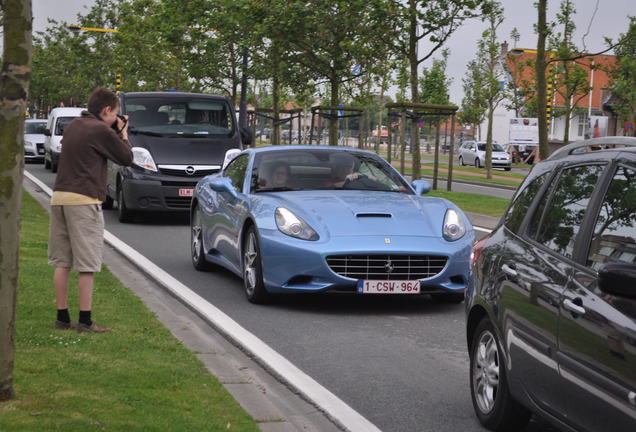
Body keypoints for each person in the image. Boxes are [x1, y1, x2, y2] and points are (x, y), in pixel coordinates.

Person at [48, 88, 133, 333]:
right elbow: (126, 157)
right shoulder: (101, 130)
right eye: (116, 114)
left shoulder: (75, 125)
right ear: (107, 110)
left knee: (62, 261)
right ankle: (85, 321)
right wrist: (123, 133)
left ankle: (62, 317)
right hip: (84, 199)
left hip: (60, 196)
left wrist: (113, 130)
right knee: (87, 263)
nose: (117, 118)